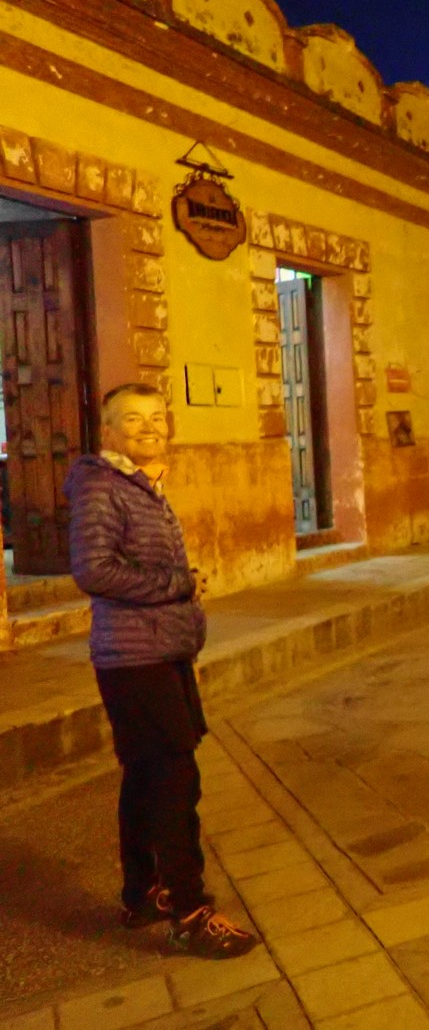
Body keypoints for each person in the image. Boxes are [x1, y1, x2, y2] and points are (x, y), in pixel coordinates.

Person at [65, 383, 257, 959]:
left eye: (156, 417)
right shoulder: (102, 485)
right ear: (109, 431)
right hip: (136, 656)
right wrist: (178, 584)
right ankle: (190, 911)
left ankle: (142, 894)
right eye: (132, 419)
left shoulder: (140, 484)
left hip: (160, 651)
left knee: (147, 775)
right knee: (175, 779)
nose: (148, 427)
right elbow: (93, 570)